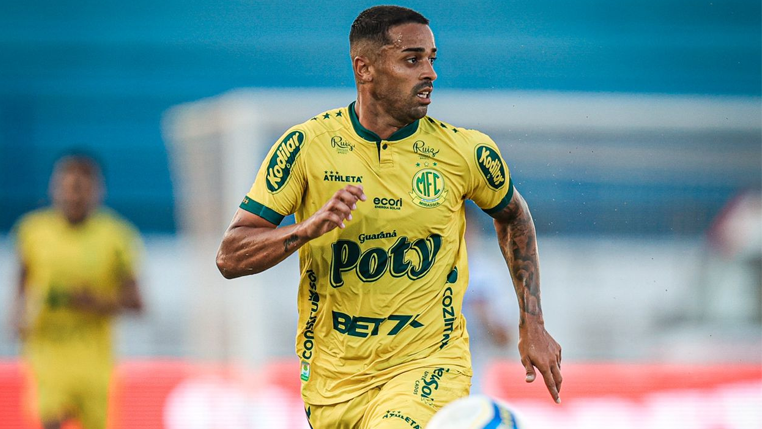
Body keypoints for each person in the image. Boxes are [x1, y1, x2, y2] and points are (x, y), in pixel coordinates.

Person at [216, 5, 562, 428]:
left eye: (432, 59)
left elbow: (514, 216)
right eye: (412, 59)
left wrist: (532, 322)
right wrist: (306, 230)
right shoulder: (307, 147)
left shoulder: (465, 152)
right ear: (364, 68)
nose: (430, 73)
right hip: (333, 380)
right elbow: (230, 256)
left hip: (429, 363)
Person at [11, 153, 144, 429]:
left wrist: (97, 302)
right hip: (48, 350)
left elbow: (136, 302)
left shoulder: (116, 236)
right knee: (51, 420)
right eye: (66, 187)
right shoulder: (33, 232)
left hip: (94, 359)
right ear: (54, 188)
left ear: (97, 191)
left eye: (80, 189)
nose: (73, 196)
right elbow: (23, 279)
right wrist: (17, 315)